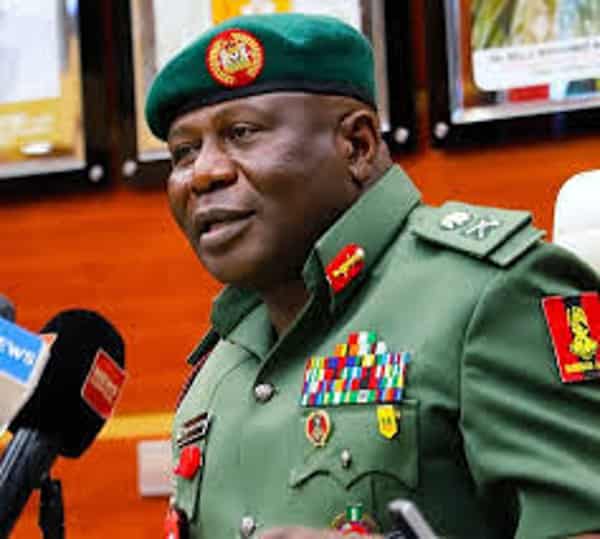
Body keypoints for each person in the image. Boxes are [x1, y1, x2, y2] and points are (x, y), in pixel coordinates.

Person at [145, 12, 600, 539]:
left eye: (241, 133)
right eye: (184, 152)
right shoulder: (217, 366)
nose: (203, 173)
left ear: (357, 145)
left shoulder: (494, 292)